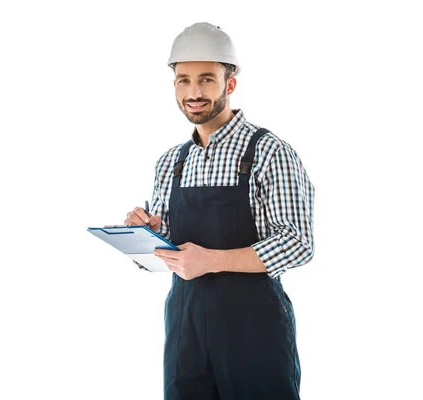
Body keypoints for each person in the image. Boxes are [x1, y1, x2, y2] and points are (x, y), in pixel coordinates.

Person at [124, 22, 315, 399]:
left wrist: (211, 260)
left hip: (254, 333)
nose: (193, 92)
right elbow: (164, 257)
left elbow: (298, 244)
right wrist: (148, 233)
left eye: (206, 79)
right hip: (185, 330)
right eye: (183, 80)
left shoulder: (269, 152)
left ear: (230, 84)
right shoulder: (171, 162)